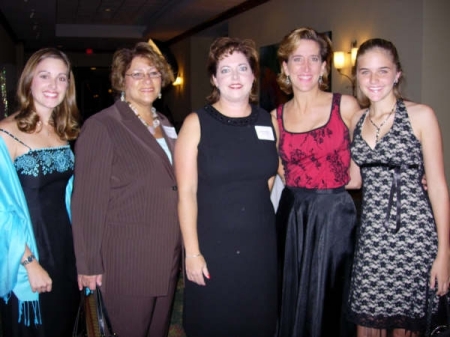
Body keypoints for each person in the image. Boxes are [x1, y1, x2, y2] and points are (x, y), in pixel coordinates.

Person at [71, 41, 181, 337]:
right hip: (127, 259)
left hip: (166, 255)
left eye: (154, 73)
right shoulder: (103, 126)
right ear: (122, 80)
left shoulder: (166, 123)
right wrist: (89, 263)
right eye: (137, 74)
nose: (147, 80)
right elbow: (86, 202)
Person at [175, 37, 278, 337]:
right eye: (225, 69)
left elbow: (266, 180)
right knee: (214, 321)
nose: (235, 77)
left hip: (259, 245)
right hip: (212, 245)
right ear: (213, 78)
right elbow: (186, 193)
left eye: (242, 68)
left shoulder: (266, 121)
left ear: (253, 76)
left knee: (256, 320)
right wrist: (192, 252)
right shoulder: (196, 123)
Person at [347, 38, 450, 337]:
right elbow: (353, 179)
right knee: (365, 325)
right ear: (357, 77)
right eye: (365, 71)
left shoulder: (421, 115)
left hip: (414, 239)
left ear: (397, 74)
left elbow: (439, 188)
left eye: (383, 70)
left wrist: (444, 253)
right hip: (371, 239)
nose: (374, 79)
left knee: (407, 328)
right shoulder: (357, 120)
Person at [273, 27, 361, 337]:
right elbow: (278, 171)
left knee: (330, 296)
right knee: (292, 292)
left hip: (336, 217)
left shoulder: (346, 106)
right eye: (297, 59)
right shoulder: (276, 117)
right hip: (292, 216)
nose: (306, 68)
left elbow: (376, 154)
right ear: (285, 67)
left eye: (314, 59)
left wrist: (414, 176)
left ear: (325, 66)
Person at [0, 48, 80, 337]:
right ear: (29, 81)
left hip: (65, 251)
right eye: (45, 76)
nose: (53, 85)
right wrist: (29, 262)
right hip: (29, 253)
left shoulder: (63, 132)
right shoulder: (5, 134)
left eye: (61, 78)